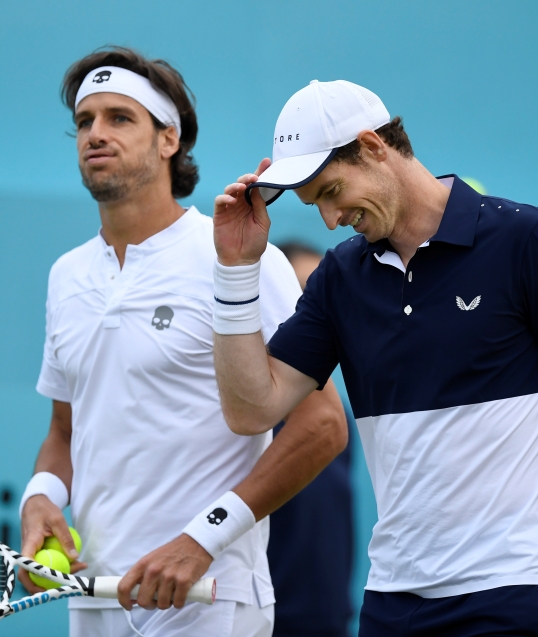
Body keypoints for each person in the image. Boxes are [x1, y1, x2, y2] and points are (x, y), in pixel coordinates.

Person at [210, 79, 538, 636]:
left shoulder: (526, 240)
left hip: (514, 587)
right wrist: (236, 271)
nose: (330, 220)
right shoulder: (339, 280)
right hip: (391, 599)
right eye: (316, 205)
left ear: (374, 146)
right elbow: (250, 411)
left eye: (331, 191)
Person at [18, 48, 348, 637]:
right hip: (95, 597)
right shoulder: (65, 276)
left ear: (169, 139)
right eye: (85, 120)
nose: (95, 133)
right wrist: (42, 496)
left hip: (212, 597)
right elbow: (64, 433)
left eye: (120, 117)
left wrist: (204, 538)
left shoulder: (240, 255)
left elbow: (322, 425)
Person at [268, 241, 355, 637]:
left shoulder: (336, 419)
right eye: (303, 293)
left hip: (328, 620)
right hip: (259, 617)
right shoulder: (250, 416)